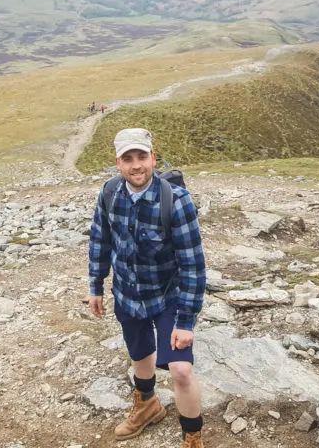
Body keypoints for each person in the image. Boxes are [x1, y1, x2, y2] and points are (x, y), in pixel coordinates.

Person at [89, 128, 207, 447]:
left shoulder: (176, 201)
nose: (136, 165)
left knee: (181, 370)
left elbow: (193, 265)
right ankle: (147, 406)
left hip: (168, 296)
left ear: (153, 158)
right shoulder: (110, 193)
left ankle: (193, 437)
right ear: (118, 163)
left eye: (142, 157)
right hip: (128, 294)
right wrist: (96, 285)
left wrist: (185, 322)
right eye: (128, 158)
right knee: (140, 354)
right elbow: (100, 239)